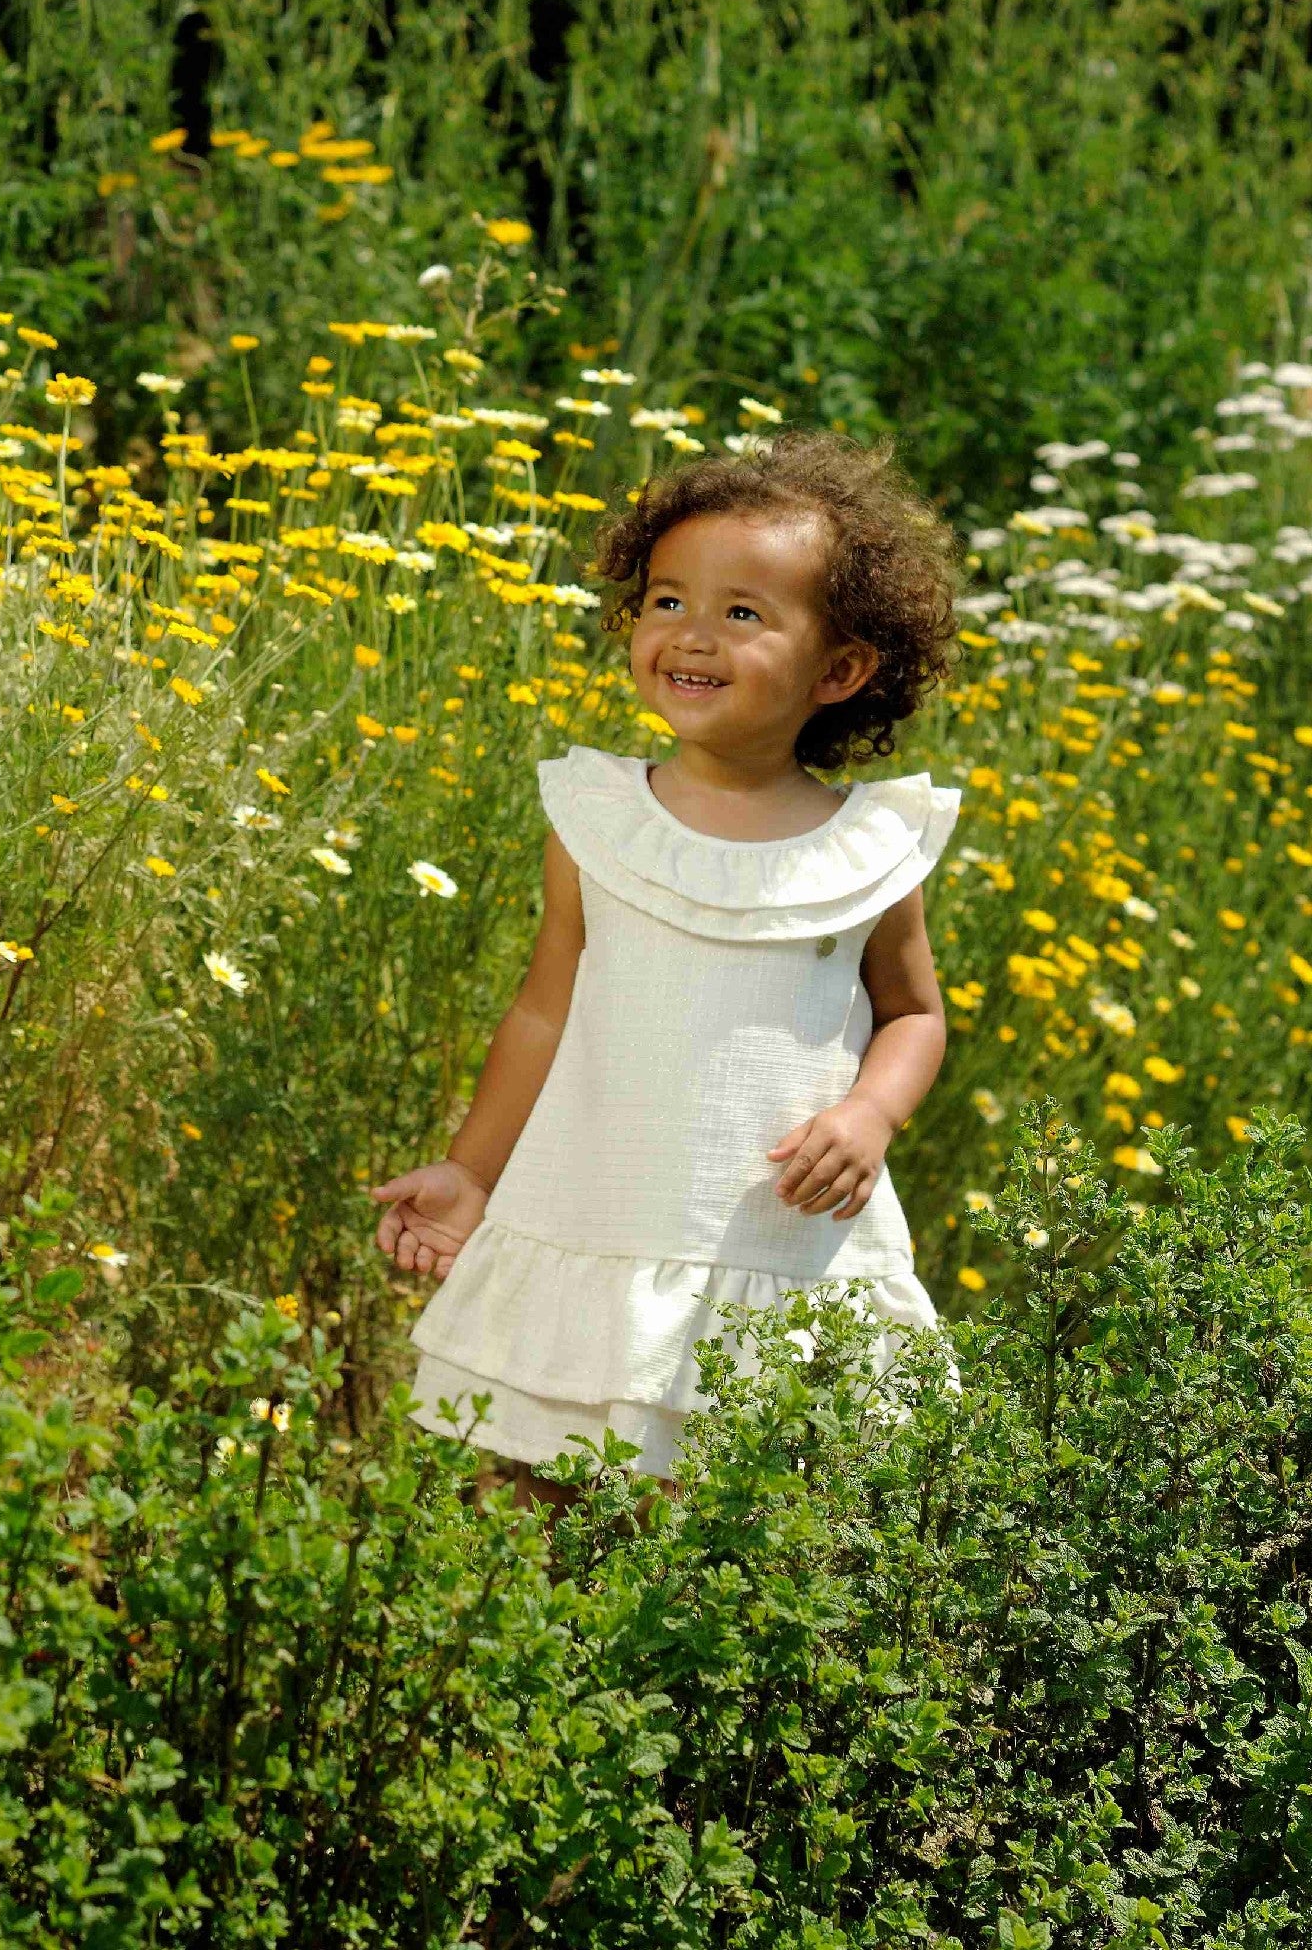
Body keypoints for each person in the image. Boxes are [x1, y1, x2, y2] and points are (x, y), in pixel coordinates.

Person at [373, 429, 963, 1491]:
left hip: (777, 1240)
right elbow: (545, 1011)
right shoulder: (599, 819)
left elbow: (912, 1012)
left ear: (838, 668)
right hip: (594, 1218)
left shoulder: (869, 847)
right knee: (542, 1501)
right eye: (665, 600)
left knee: (755, 1520)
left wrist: (870, 1114)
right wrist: (470, 1172)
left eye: (742, 613)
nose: (691, 634)